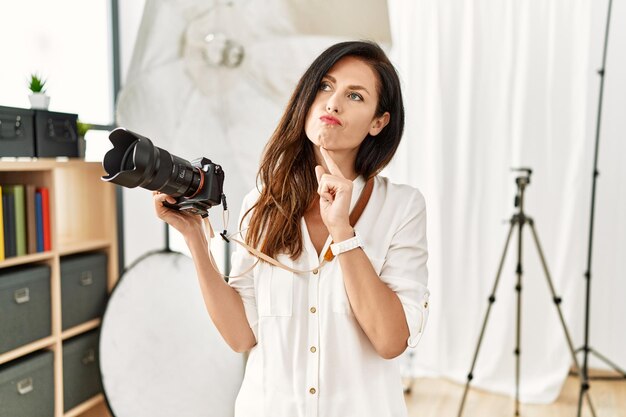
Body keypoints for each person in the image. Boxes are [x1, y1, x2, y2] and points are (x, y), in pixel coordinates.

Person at [153, 40, 429, 417]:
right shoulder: (262, 203)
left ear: (379, 122)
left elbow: (390, 339)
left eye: (355, 96)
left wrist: (343, 232)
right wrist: (195, 241)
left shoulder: (402, 207)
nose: (333, 103)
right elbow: (241, 336)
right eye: (325, 86)